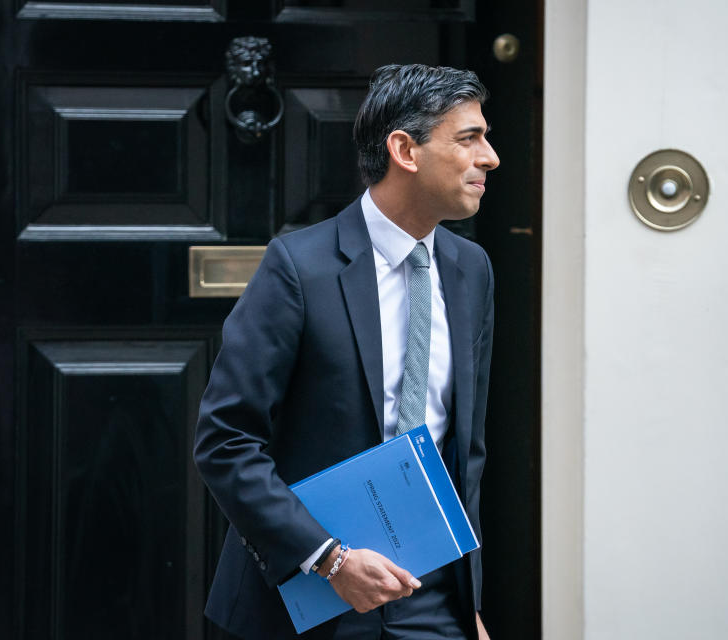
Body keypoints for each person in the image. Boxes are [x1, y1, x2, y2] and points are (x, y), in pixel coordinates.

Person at [193, 63, 499, 640]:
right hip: (307, 597)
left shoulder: (471, 270)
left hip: (433, 602)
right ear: (405, 150)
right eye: (469, 139)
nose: (489, 158)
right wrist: (329, 558)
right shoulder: (298, 268)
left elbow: (466, 451)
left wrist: (469, 603)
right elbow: (225, 440)